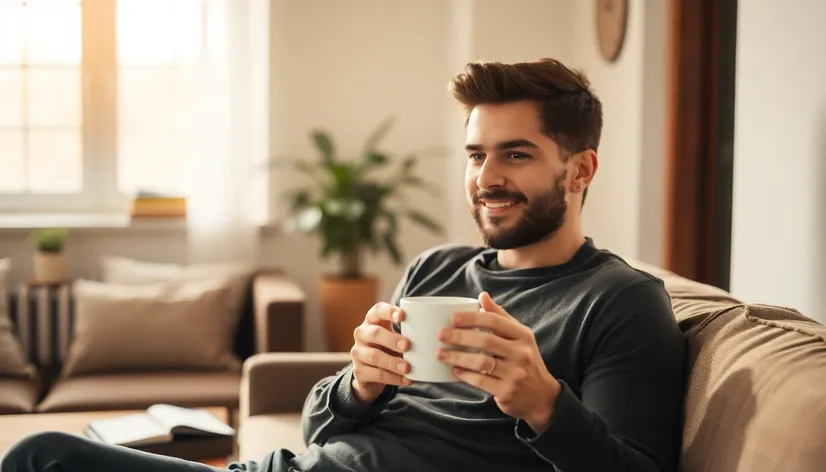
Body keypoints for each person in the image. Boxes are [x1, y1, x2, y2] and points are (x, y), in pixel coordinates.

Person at [1, 58, 686, 472]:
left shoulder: (620, 302)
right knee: (41, 456)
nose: (487, 177)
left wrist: (543, 404)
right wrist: (357, 384)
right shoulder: (436, 270)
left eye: (516, 154)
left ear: (580, 169)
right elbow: (318, 428)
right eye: (477, 155)